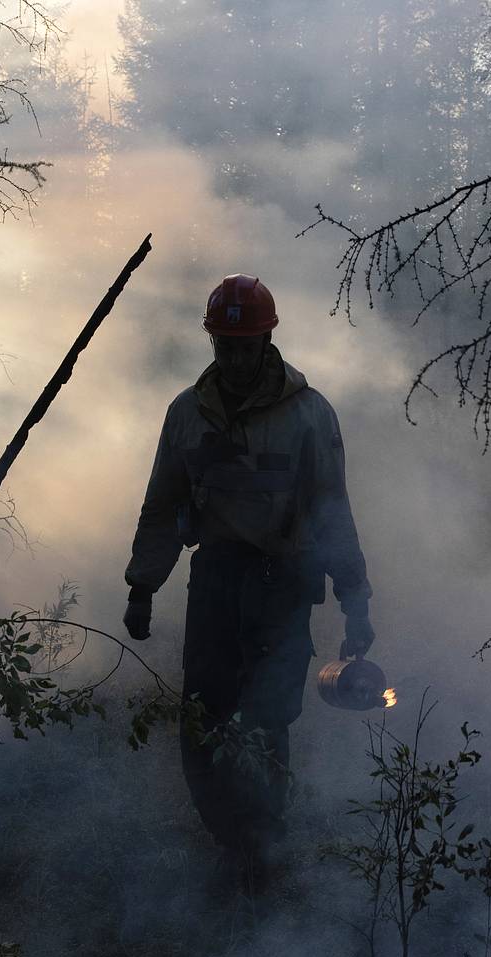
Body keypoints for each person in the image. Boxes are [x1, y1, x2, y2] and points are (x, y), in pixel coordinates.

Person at [122, 273, 375, 858]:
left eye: (245, 345)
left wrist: (355, 601)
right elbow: (162, 502)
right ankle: (224, 835)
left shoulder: (309, 415)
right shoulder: (188, 413)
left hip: (280, 586)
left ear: (267, 341)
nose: (235, 358)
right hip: (214, 582)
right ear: (212, 342)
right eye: (224, 345)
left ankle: (262, 845)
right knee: (204, 713)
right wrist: (143, 586)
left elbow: (332, 510)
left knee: (266, 718)